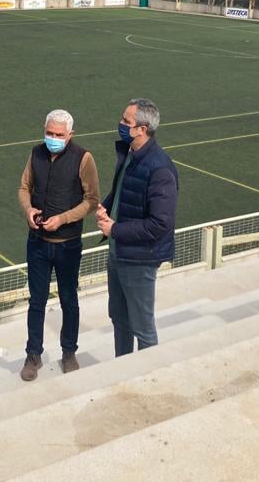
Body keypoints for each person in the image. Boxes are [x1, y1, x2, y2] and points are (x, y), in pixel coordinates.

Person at [17, 109, 100, 380]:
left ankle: (69, 352)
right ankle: (33, 355)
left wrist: (63, 219)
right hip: (38, 243)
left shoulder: (83, 158)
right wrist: (28, 209)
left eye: (59, 135)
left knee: (69, 300)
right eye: (49, 133)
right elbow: (23, 188)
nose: (53, 138)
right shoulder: (35, 153)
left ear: (70, 135)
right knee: (36, 301)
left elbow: (91, 200)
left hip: (68, 245)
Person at [95, 98, 178, 357]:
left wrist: (115, 229)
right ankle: (121, 366)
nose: (120, 125)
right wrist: (106, 207)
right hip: (118, 252)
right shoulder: (130, 154)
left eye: (125, 121)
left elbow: (160, 224)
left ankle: (145, 377)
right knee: (119, 318)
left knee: (142, 327)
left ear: (142, 129)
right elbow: (122, 191)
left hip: (139, 259)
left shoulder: (160, 168)